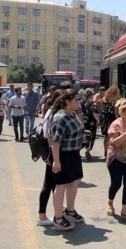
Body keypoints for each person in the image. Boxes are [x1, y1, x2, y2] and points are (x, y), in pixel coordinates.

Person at [50, 89, 85, 231]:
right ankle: (58, 218)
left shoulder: (73, 113)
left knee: (75, 182)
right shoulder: (60, 117)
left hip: (74, 154)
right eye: (76, 100)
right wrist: (56, 161)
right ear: (67, 102)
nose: (78, 102)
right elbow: (55, 141)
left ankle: (70, 211)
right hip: (64, 155)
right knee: (61, 186)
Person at [105, 99, 126, 220]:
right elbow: (114, 143)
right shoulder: (116, 124)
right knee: (116, 183)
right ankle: (110, 202)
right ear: (121, 112)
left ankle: (124, 209)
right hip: (116, 158)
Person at [37, 90, 62, 226]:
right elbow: (49, 136)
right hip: (51, 153)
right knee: (48, 184)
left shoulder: (52, 112)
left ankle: (58, 207)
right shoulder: (53, 114)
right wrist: (51, 157)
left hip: (50, 153)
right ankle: (42, 216)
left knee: (54, 183)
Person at [100, 85, 120, 159]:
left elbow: (101, 109)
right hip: (112, 119)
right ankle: (111, 152)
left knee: (106, 137)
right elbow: (115, 112)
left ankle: (106, 152)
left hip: (105, 119)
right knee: (113, 136)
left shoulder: (104, 99)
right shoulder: (115, 100)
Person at [80, 88, 100, 159]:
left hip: (82, 120)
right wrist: (98, 121)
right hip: (91, 121)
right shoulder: (92, 103)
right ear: (91, 95)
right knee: (91, 136)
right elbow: (94, 112)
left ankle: (79, 150)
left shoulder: (81, 101)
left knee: (82, 135)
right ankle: (88, 150)